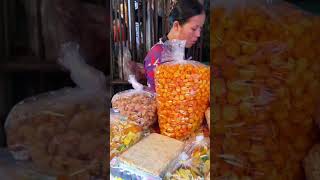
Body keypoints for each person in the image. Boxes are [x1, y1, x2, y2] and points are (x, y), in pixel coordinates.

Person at [143, 0, 206, 92]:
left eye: (200, 29)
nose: (198, 34)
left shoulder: (181, 50)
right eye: (194, 28)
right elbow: (160, 97)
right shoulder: (158, 54)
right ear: (176, 26)